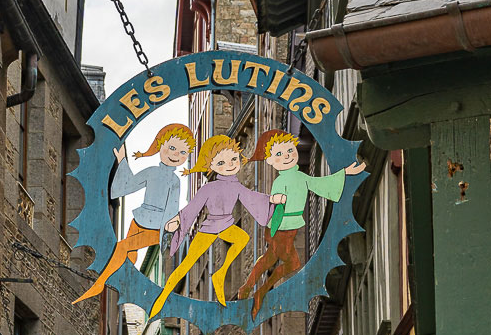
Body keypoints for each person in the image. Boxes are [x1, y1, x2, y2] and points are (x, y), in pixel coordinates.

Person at [149, 134, 282, 317]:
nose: (229, 165)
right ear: (211, 166)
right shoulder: (208, 188)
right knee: (186, 264)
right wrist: (177, 220)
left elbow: (252, 198)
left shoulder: (236, 186)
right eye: (221, 163)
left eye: (233, 159)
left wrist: (272, 200)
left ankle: (220, 274)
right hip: (210, 228)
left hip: (226, 225)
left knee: (242, 238)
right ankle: (162, 297)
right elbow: (192, 207)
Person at [237, 130, 365, 318]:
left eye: (289, 150)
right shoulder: (281, 180)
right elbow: (274, 202)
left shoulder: (300, 177)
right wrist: (276, 204)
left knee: (285, 262)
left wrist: (345, 173)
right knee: (279, 260)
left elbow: (320, 184)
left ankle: (256, 290)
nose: (287, 155)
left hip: (290, 226)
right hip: (280, 226)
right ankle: (254, 289)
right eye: (279, 154)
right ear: (271, 161)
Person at [74, 124, 195, 304]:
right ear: (160, 145)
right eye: (172, 148)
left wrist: (170, 224)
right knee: (130, 255)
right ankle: (128, 287)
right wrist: (122, 160)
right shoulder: (151, 171)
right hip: (139, 219)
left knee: (122, 247)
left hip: (155, 227)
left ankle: (100, 284)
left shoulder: (175, 180)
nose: (176, 154)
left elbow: (172, 206)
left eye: (183, 152)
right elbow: (128, 185)